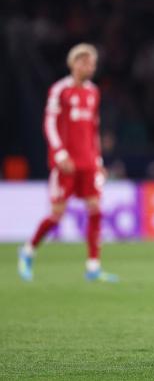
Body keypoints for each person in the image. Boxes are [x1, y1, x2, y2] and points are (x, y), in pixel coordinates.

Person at [17, 43, 118, 282]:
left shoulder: (93, 92)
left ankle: (93, 267)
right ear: (73, 63)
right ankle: (28, 250)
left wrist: (99, 158)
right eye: (84, 62)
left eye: (92, 63)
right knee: (57, 214)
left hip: (88, 162)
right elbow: (49, 123)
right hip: (66, 163)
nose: (89, 67)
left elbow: (94, 129)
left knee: (95, 209)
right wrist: (60, 153)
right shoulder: (59, 90)